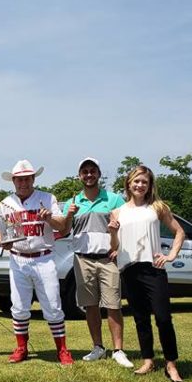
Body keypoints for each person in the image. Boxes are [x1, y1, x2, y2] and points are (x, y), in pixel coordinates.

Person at [108, 165, 185, 382]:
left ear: (150, 185)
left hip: (154, 269)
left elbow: (179, 231)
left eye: (145, 182)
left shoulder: (157, 207)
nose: (140, 185)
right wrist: (112, 233)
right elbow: (114, 246)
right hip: (129, 269)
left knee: (163, 317)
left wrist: (170, 255)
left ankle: (171, 364)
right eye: (136, 181)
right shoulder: (118, 212)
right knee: (141, 318)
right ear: (128, 184)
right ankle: (148, 360)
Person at [0, 159, 73, 365]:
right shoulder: (4, 204)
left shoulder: (47, 198)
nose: (23, 183)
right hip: (18, 259)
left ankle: (62, 350)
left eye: (27, 179)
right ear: (13, 181)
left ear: (33, 179)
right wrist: (3, 243)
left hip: (43, 257)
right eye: (19, 180)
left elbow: (62, 226)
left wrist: (49, 219)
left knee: (53, 305)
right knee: (19, 306)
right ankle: (21, 348)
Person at [62, 157, 133, 368]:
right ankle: (98, 347)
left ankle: (118, 350)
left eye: (93, 171)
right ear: (80, 176)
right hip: (83, 259)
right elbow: (64, 230)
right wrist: (69, 215)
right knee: (90, 305)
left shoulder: (114, 200)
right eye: (85, 171)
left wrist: (119, 248)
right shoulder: (73, 202)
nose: (89, 174)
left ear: (99, 174)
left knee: (113, 304)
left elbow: (127, 226)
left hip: (107, 259)